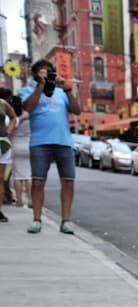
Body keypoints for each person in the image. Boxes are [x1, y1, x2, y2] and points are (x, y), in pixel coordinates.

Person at [20, 59, 82, 234]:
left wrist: (67, 89)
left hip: (64, 142)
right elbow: (28, 107)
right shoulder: (28, 90)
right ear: (35, 74)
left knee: (68, 181)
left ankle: (66, 221)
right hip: (40, 142)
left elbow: (77, 110)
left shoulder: (61, 92)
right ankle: (37, 219)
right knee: (38, 181)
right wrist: (40, 86)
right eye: (42, 71)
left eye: (49, 72)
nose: (46, 74)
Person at [0, 90, 18, 222]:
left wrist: (9, 130)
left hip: (2, 143)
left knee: (0, 178)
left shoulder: (2, 103)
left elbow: (13, 117)